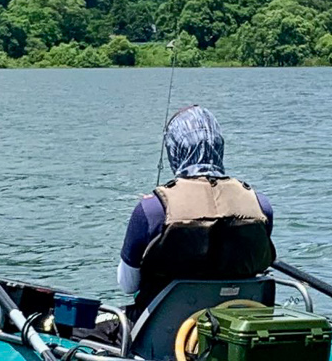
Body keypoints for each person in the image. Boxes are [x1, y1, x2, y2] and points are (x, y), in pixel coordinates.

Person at [116, 106, 276, 309]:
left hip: (166, 326)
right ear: (219, 146)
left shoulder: (151, 210)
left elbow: (128, 285)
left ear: (174, 149)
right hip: (242, 320)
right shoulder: (260, 206)